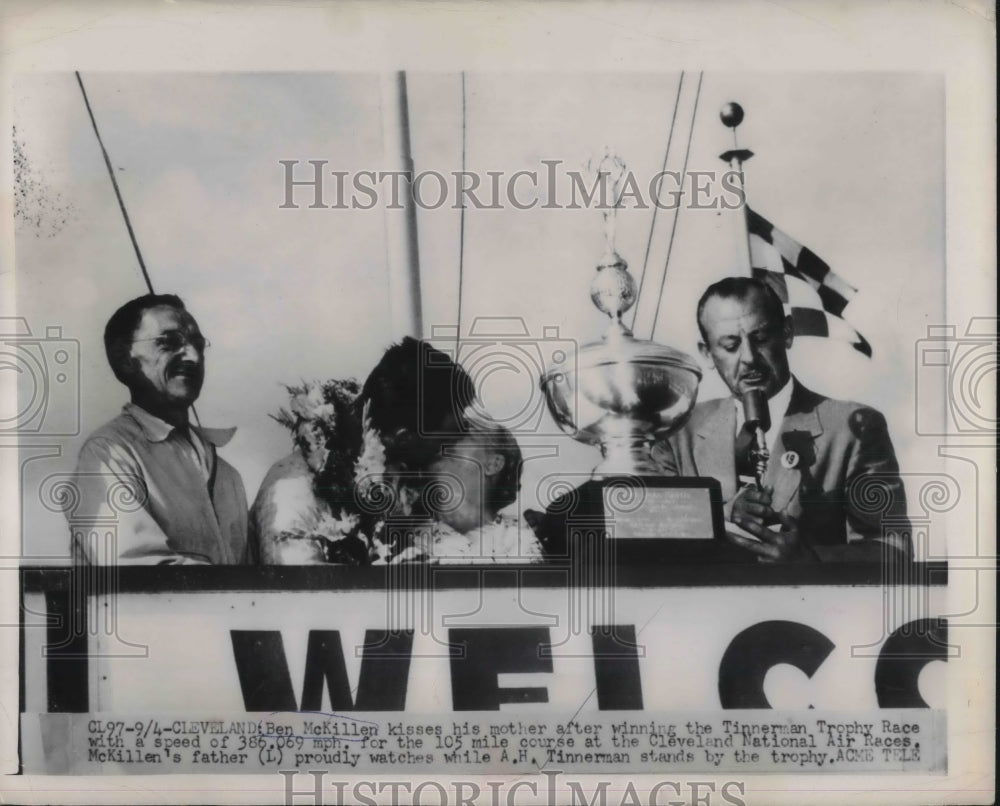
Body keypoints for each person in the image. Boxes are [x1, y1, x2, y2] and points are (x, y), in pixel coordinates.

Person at [651, 277, 910, 562]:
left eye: (760, 339)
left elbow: (893, 551)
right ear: (706, 353)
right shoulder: (676, 434)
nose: (749, 357)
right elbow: (650, 541)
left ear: (787, 333)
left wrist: (808, 560)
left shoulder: (854, 428)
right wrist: (720, 517)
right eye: (730, 345)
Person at [70, 293, 248, 564]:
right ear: (124, 358)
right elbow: (138, 573)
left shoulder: (227, 474)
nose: (193, 356)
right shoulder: (108, 453)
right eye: (170, 343)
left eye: (198, 345)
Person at [410, 414, 543, 564]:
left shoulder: (518, 539)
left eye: (463, 435)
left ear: (493, 464)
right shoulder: (404, 536)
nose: (446, 442)